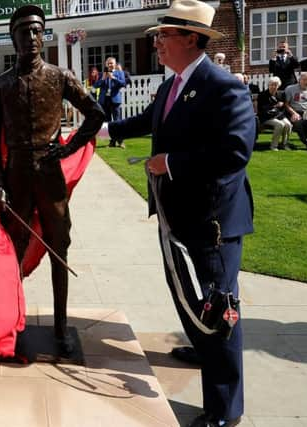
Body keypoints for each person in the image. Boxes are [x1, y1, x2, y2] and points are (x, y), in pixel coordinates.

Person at [108, 1, 255, 426]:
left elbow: (235, 151)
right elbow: (149, 121)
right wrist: (98, 130)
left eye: (164, 35)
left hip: (213, 221)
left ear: (192, 38)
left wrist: (169, 163)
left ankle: (225, 411)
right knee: (192, 299)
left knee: (220, 312)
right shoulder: (171, 85)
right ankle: (200, 343)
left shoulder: (223, 86)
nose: (156, 42)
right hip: (181, 216)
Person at [0, 5, 105, 354]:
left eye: (38, 31)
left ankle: (62, 328)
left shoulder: (60, 76)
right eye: (25, 32)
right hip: (16, 174)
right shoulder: (1, 85)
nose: (33, 38)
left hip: (50, 175)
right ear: (14, 38)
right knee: (12, 254)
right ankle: (11, 323)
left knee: (58, 250)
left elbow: (95, 114)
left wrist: (68, 150)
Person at [94, 56, 127, 148]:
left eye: (111, 63)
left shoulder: (119, 73)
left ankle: (120, 142)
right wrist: (103, 79)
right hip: (104, 101)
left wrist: (113, 78)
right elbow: (95, 86)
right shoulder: (101, 74)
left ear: (115, 64)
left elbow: (123, 84)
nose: (110, 65)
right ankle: (111, 142)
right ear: (106, 64)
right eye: (108, 63)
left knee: (117, 121)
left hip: (115, 100)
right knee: (107, 122)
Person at [257, 76, 293, 150]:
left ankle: (284, 144)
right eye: (271, 84)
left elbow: (283, 108)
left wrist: (281, 107)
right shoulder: (262, 95)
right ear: (268, 85)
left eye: (275, 85)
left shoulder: (281, 94)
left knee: (288, 125)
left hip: (279, 115)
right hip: (266, 117)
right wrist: (276, 105)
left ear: (278, 86)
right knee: (280, 124)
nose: (273, 86)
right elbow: (263, 109)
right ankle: (274, 146)